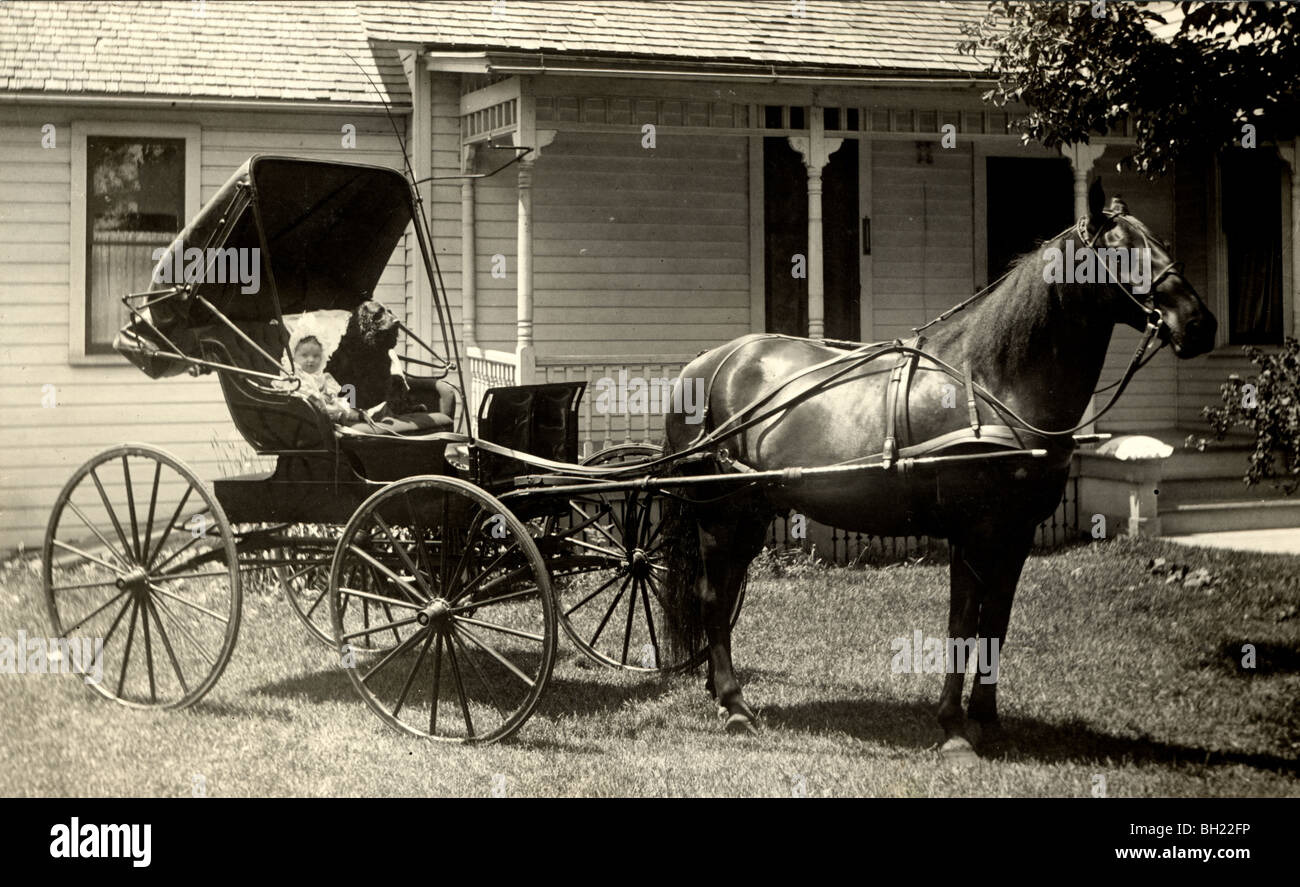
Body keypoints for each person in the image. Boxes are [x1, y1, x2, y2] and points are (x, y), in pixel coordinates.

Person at [283, 334, 361, 424]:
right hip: (307, 413)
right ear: (293, 356)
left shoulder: (320, 376)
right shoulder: (296, 376)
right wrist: (321, 397)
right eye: (304, 355)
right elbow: (303, 393)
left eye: (316, 356)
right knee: (339, 412)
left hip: (323, 410)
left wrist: (330, 395)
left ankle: (359, 416)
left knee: (341, 405)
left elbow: (330, 393)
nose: (311, 360)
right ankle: (351, 418)